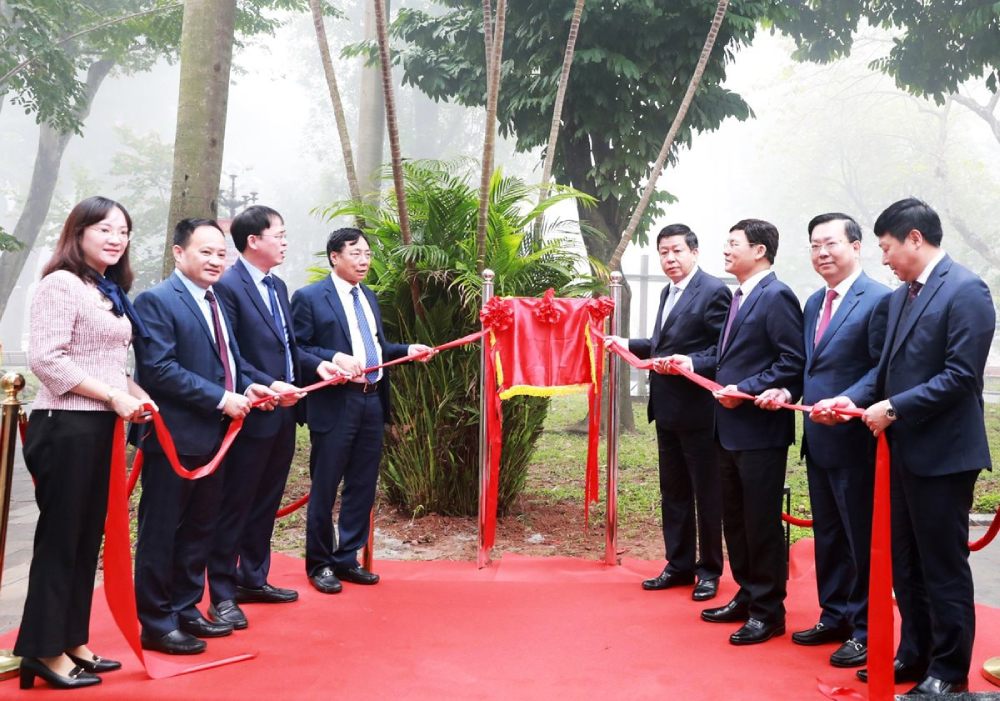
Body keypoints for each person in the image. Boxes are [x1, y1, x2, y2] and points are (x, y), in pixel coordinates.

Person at [819, 198, 994, 695]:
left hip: (944, 456)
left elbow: (961, 376)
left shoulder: (966, 290)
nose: (884, 259)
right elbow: (883, 372)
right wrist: (847, 399)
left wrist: (894, 409)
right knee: (907, 565)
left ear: (915, 238)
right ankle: (915, 654)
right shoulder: (899, 298)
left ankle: (949, 672)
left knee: (942, 567)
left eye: (887, 247)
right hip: (898, 453)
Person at [15, 196, 155, 690]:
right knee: (61, 539)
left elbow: (107, 366)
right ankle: (42, 649)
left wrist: (137, 396)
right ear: (78, 233)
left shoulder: (106, 288)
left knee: (84, 538)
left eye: (123, 230)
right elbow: (48, 362)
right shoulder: (60, 284)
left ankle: (72, 639)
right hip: (65, 425)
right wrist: (113, 395)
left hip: (100, 425)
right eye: (104, 229)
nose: (116, 238)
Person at [132, 218, 278, 655]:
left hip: (218, 438)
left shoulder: (214, 300)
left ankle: (186, 606)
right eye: (206, 252)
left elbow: (229, 362)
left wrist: (253, 386)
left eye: (221, 254)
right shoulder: (157, 301)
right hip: (175, 438)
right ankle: (157, 622)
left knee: (201, 526)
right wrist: (222, 398)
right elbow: (159, 370)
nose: (216, 261)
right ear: (179, 253)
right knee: (162, 530)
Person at [205, 206, 345, 629]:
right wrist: (267, 384)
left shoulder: (278, 286)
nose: (285, 241)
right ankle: (222, 593)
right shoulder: (228, 287)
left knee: (266, 500)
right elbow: (231, 355)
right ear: (253, 241)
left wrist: (316, 366)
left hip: (285, 411)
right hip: (251, 410)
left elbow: (289, 346)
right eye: (279, 234)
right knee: (236, 503)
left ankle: (253, 578)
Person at [669, 218, 805, 645]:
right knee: (736, 520)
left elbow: (790, 361)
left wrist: (743, 390)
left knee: (761, 523)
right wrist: (691, 363)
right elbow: (729, 357)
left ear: (760, 250)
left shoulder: (776, 295)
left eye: (734, 244)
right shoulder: (740, 296)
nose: (725, 251)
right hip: (726, 429)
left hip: (759, 430)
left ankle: (769, 611)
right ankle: (747, 594)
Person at [291, 228, 433, 594]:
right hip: (335, 402)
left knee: (362, 485)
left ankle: (346, 557)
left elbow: (377, 347)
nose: (364, 260)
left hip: (372, 399)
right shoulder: (309, 298)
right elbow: (298, 348)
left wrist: (408, 349)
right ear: (334, 257)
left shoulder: (367, 295)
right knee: (325, 486)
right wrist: (333, 358)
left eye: (367, 254)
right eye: (355, 253)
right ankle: (319, 563)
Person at [606, 224, 731, 600]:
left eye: (676, 250)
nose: (670, 259)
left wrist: (691, 362)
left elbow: (722, 352)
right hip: (667, 410)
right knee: (673, 492)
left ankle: (709, 570)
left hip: (700, 410)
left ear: (694, 251)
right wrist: (626, 343)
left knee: (706, 494)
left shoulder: (714, 291)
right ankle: (678, 564)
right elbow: (663, 345)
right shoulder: (667, 292)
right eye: (663, 252)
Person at [786, 213, 889, 667]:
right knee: (828, 534)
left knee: (860, 537)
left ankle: (868, 629)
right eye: (814, 246)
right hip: (817, 439)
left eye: (830, 244)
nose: (822, 253)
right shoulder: (813, 303)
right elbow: (810, 367)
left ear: (857, 245)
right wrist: (785, 391)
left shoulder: (879, 300)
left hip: (855, 440)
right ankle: (836, 615)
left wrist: (847, 400)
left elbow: (880, 370)